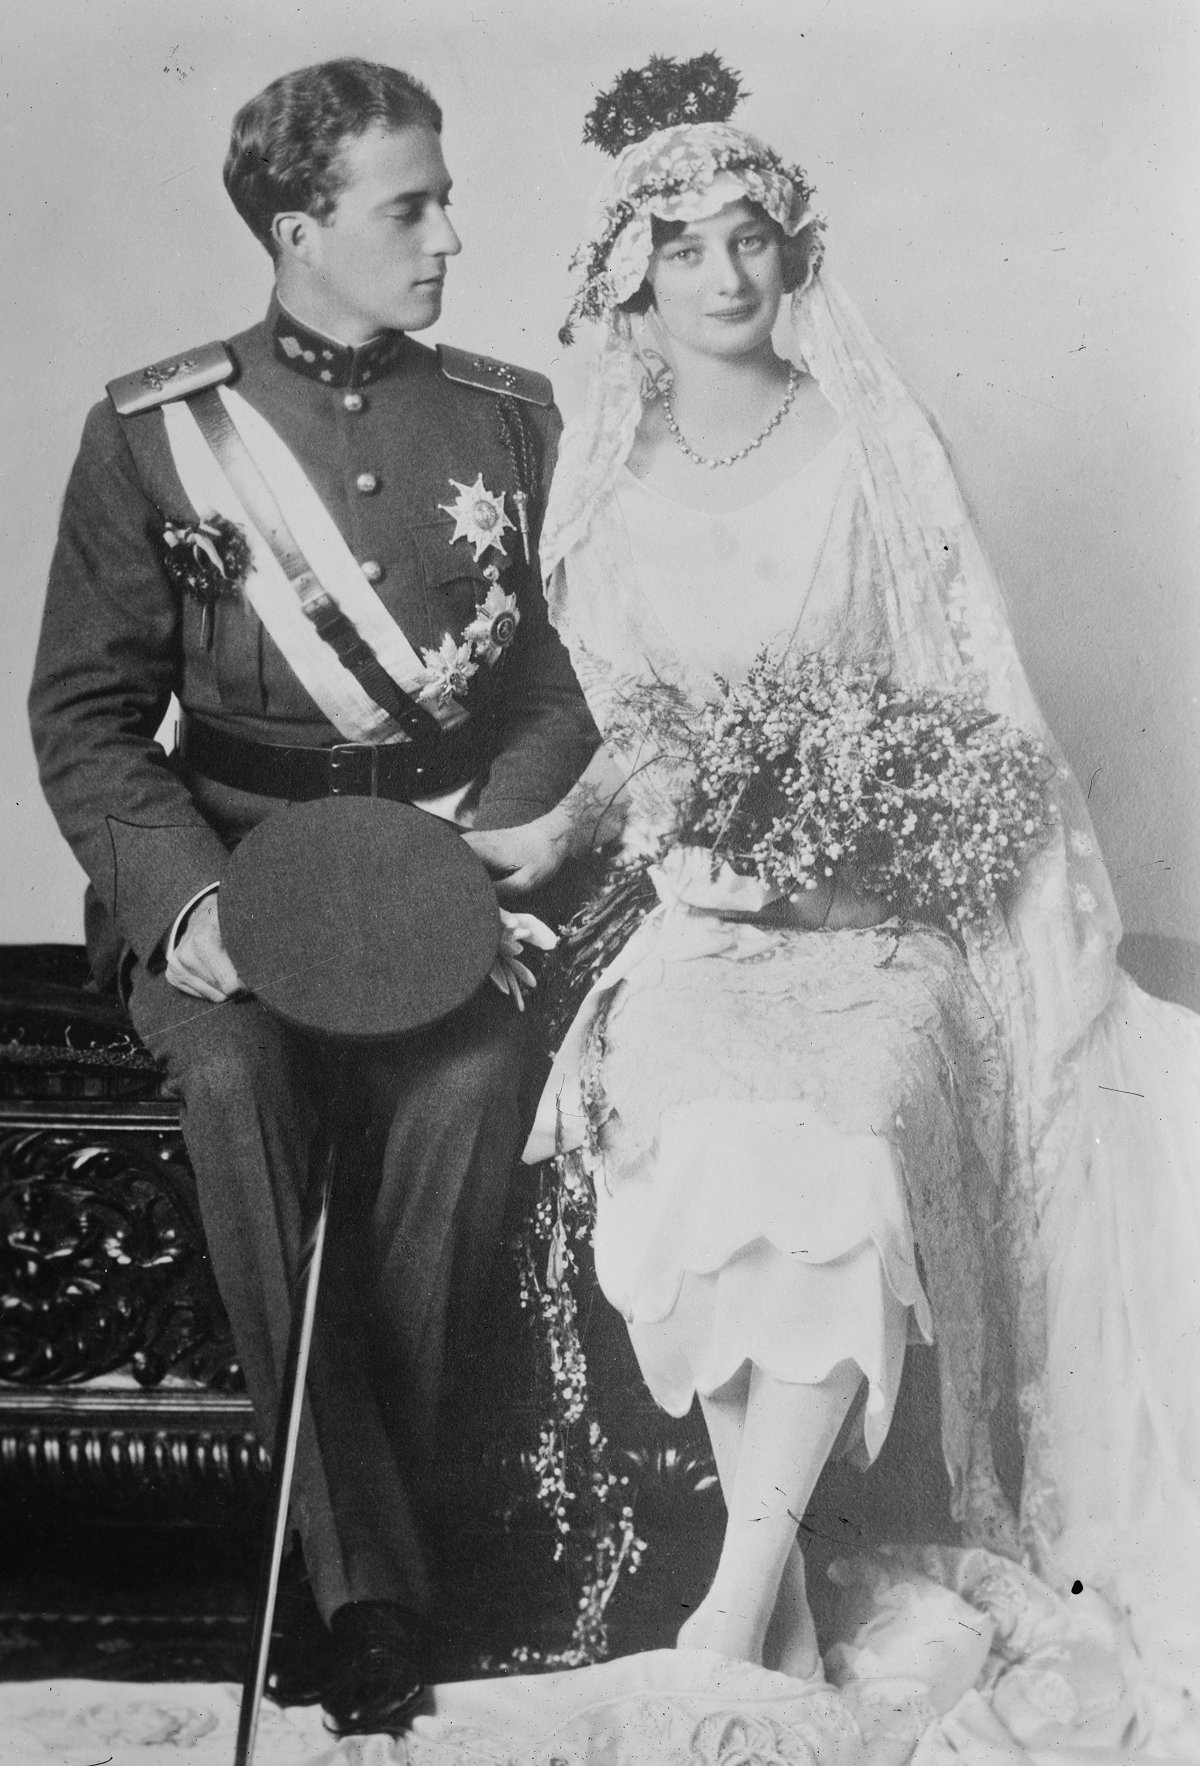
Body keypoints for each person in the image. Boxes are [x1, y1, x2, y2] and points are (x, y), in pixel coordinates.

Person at [465, 57, 1200, 1750]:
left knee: (839, 1130)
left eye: (753, 241)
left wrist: (872, 843)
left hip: (879, 926)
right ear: (628, 274)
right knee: (700, 1130)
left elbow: (964, 703)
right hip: (700, 921)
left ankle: (733, 1598)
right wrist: (567, 833)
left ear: (795, 258)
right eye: (688, 246)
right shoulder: (605, 477)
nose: (727, 275)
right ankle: (774, 1605)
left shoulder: (869, 442)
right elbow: (630, 729)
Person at [28, 58, 597, 1736]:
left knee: (478, 1078)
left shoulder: (508, 416)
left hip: (435, 876)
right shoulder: (154, 432)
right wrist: (189, 909)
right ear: (299, 228)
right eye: (409, 207)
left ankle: (359, 1582)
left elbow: (556, 689)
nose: (450, 239)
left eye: (442, 201)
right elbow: (84, 715)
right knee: (237, 1074)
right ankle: (378, 1595)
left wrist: (486, 854)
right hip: (237, 881)